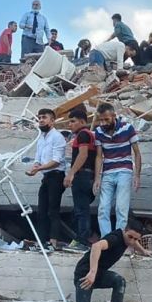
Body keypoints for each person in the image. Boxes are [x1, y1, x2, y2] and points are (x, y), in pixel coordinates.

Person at [65, 228, 150, 302]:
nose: (132, 241)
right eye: (130, 237)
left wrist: (143, 251)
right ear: (124, 230)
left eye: (136, 239)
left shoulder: (128, 239)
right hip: (85, 275)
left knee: (119, 281)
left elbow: (134, 241)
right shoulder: (114, 238)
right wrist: (92, 272)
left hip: (98, 275)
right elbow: (96, 246)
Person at [93, 102, 141, 236]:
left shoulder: (127, 128)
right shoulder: (98, 131)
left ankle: (118, 240)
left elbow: (137, 153)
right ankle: (106, 239)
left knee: (121, 207)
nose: (103, 123)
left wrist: (137, 175)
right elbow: (99, 156)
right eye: (100, 120)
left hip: (124, 171)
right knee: (103, 208)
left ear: (114, 116)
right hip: (107, 173)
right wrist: (97, 178)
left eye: (106, 119)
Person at [28, 108, 68, 250]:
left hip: (56, 176)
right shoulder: (41, 137)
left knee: (53, 210)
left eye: (44, 117)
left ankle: (53, 241)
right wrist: (35, 168)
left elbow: (56, 161)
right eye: (39, 118)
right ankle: (41, 241)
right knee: (42, 210)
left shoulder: (57, 137)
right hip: (46, 176)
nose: (41, 120)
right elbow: (38, 159)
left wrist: (39, 168)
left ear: (52, 120)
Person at [63, 107, 98, 250]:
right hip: (88, 176)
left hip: (82, 176)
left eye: (72, 121)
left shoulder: (83, 135)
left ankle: (82, 241)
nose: (69, 125)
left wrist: (71, 173)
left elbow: (82, 155)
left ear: (82, 121)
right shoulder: (89, 135)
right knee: (80, 210)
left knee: (81, 210)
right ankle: (83, 237)